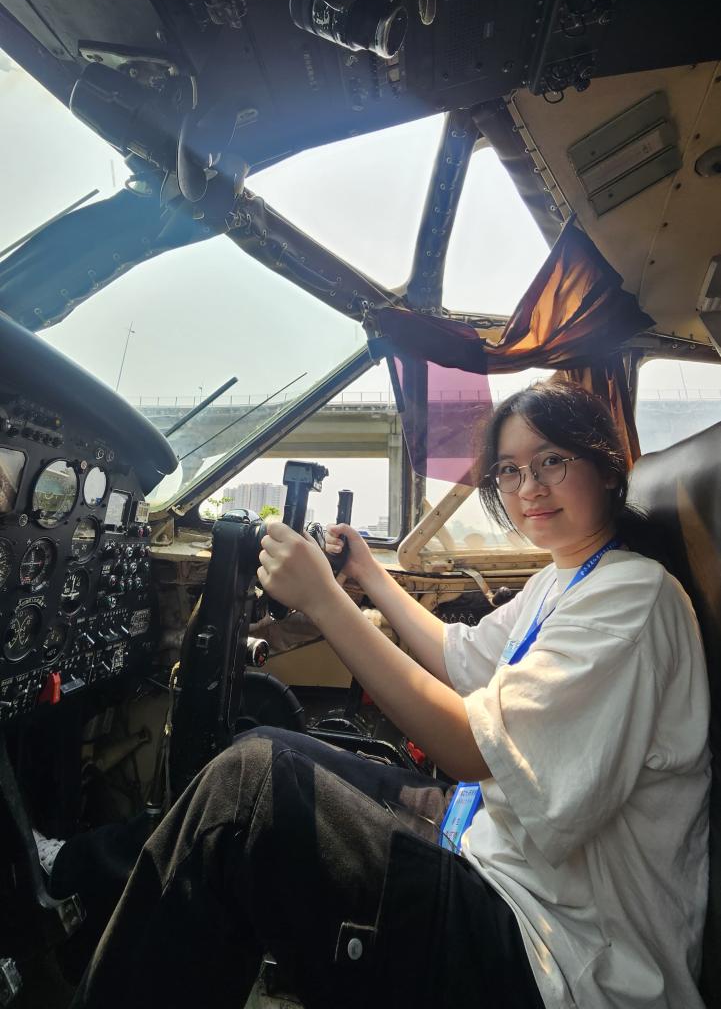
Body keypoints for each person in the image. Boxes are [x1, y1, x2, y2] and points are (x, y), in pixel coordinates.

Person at [67, 381, 710, 1009]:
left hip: (561, 956)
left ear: (606, 467)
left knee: (249, 789)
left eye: (551, 461)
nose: (529, 488)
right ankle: (81, 872)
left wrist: (323, 598)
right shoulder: (567, 578)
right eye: (510, 471)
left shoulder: (633, 598)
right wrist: (367, 572)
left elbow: (471, 748)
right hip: (504, 858)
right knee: (259, 746)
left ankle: (77, 887)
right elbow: (460, 656)